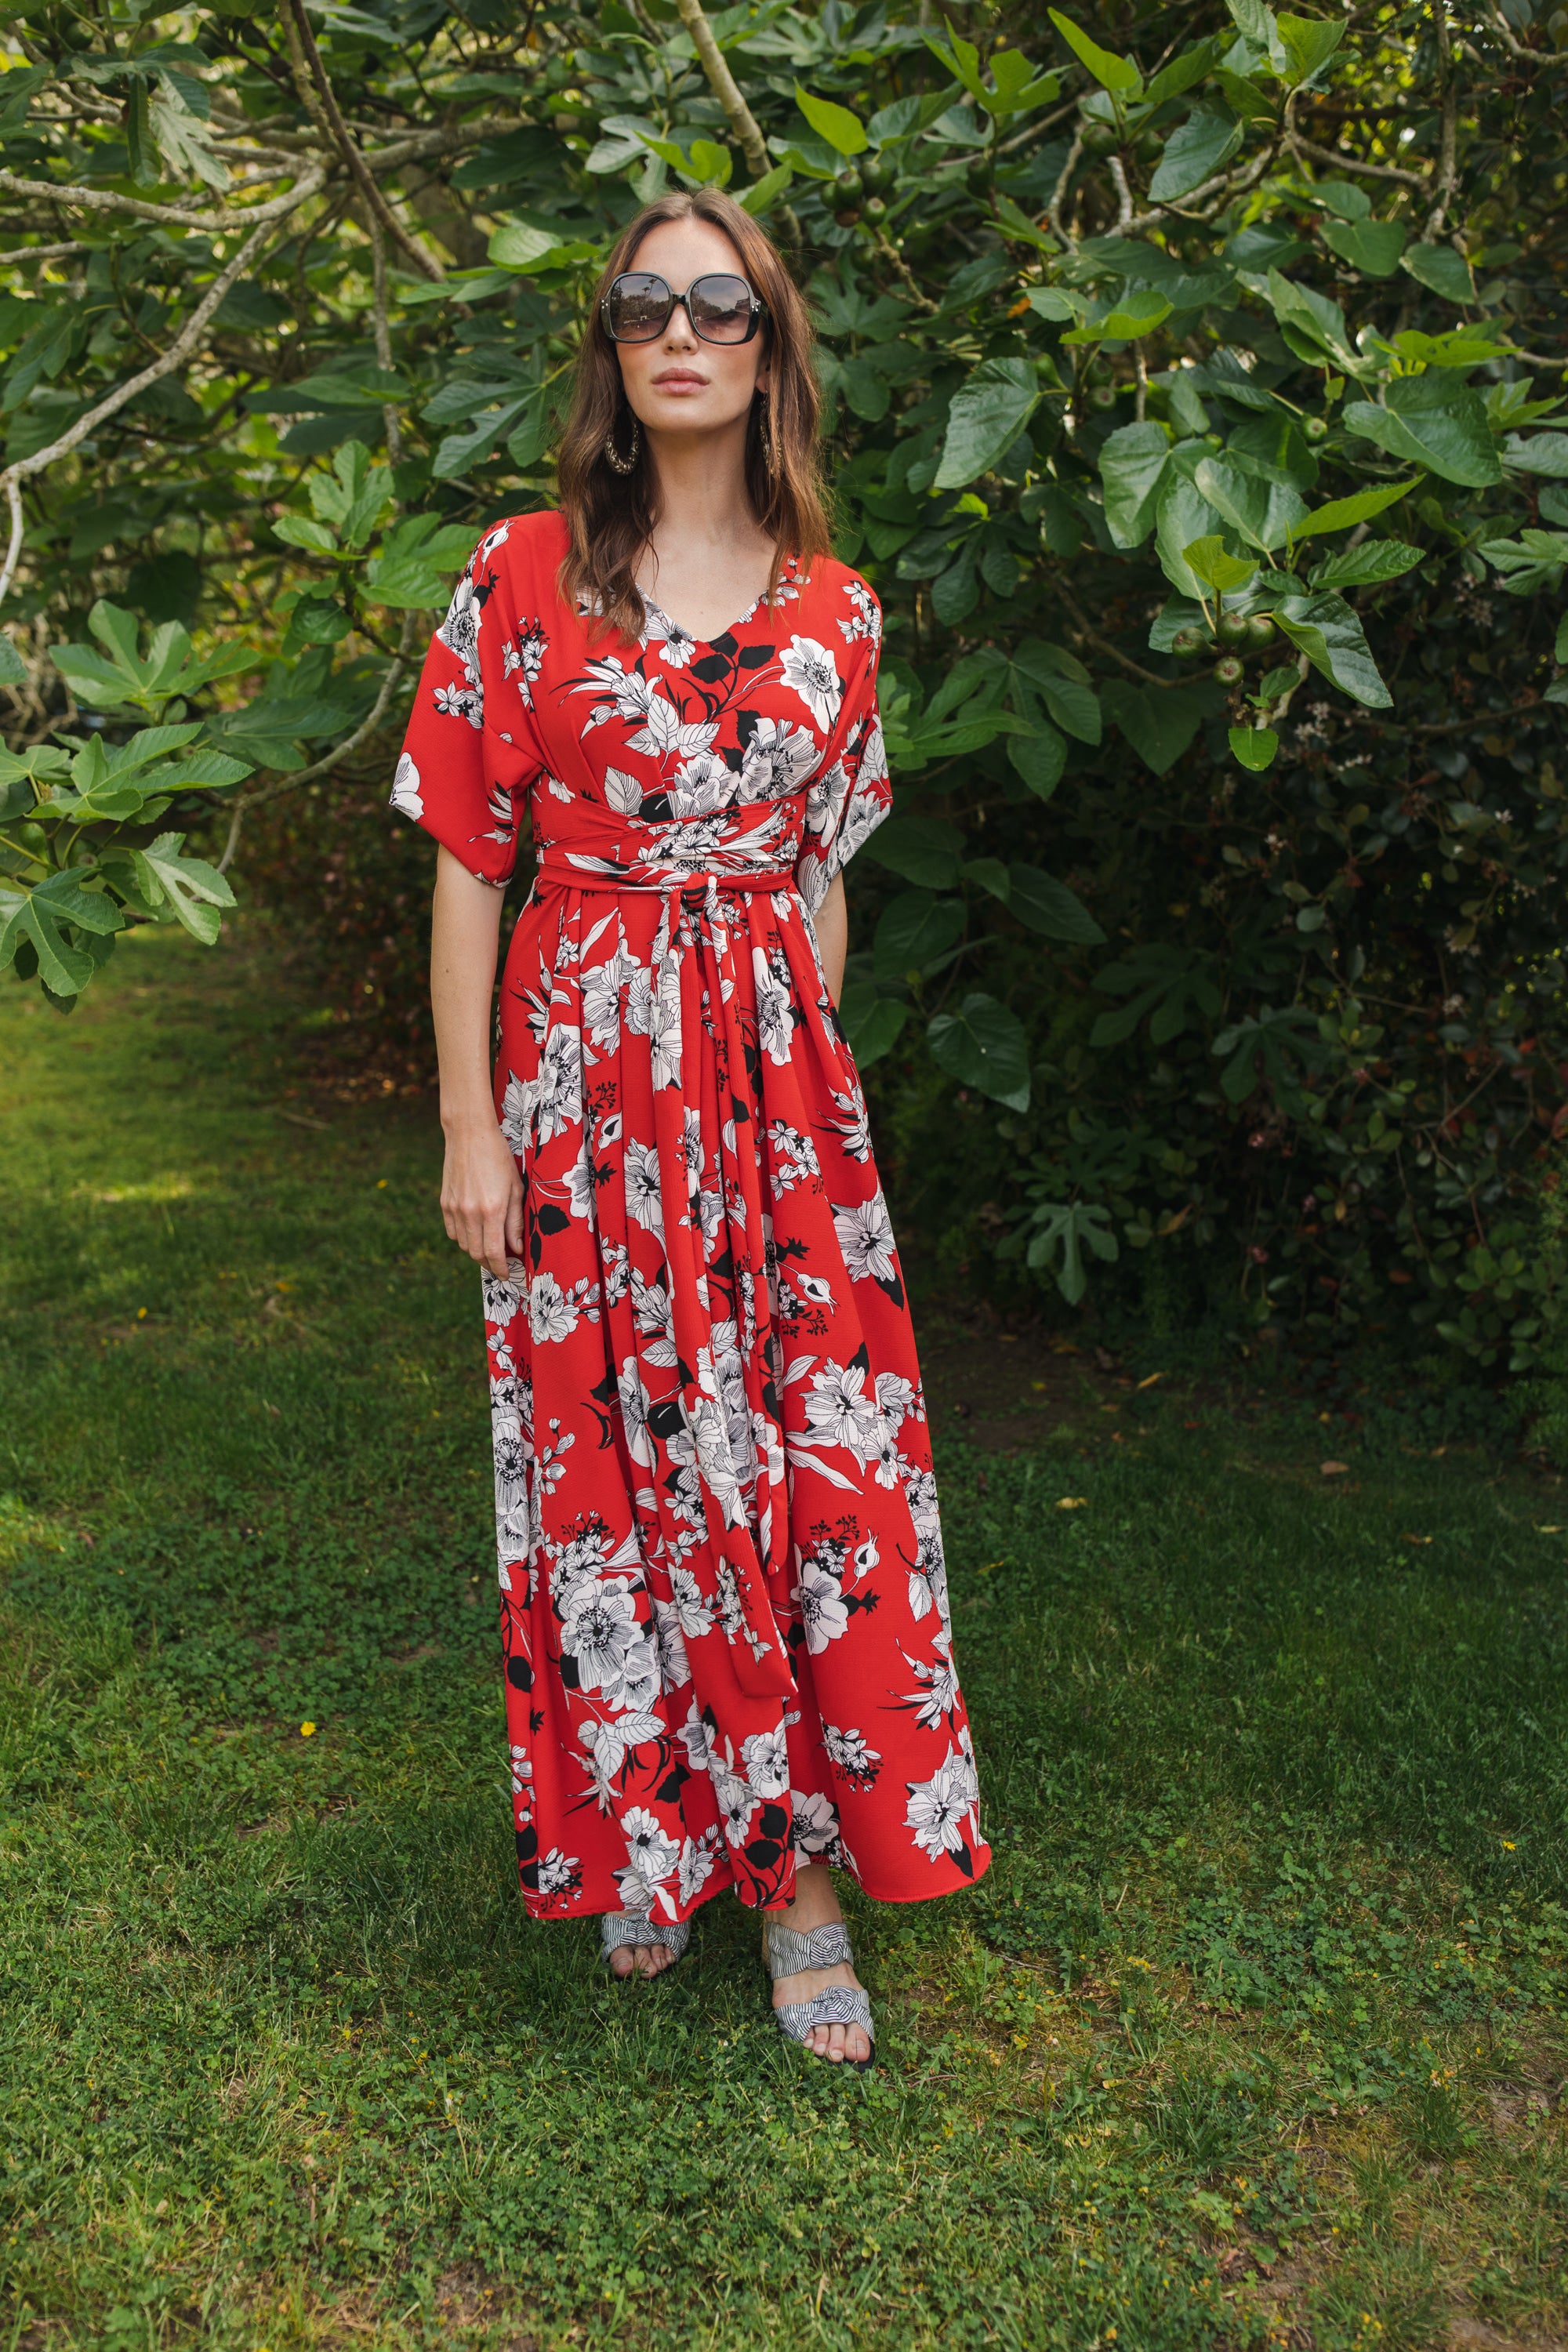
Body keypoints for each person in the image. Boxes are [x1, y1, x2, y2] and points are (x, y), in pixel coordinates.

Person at [391, 187, 989, 2067]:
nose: (679, 328)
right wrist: (472, 1123)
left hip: (775, 1108)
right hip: (577, 1089)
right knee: (613, 1463)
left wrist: (799, 1073)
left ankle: (801, 1871)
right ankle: (654, 1828)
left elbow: (823, 875)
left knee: (797, 1470)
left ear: (766, 347)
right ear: (610, 346)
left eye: (717, 304)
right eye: (643, 300)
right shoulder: (516, 575)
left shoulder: (839, 611)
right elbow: (472, 871)